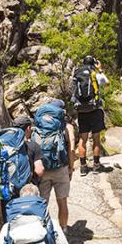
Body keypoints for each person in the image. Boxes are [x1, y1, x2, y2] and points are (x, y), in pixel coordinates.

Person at [32, 99, 76, 231]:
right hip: (60, 168)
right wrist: (71, 168)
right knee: (62, 201)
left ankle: (43, 229)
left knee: (42, 202)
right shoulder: (67, 127)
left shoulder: (38, 126)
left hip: (42, 169)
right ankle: (63, 228)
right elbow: (72, 149)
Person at [72, 56, 108, 175]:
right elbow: (107, 83)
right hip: (95, 110)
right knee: (96, 138)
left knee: (83, 140)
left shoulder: (77, 76)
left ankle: (83, 167)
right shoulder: (95, 75)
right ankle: (96, 166)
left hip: (82, 111)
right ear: (94, 64)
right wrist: (100, 70)